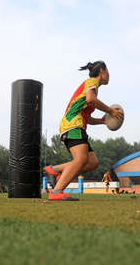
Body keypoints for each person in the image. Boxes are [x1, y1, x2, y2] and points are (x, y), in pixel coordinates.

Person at [44, 61, 123, 201]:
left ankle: (55, 169)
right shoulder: (90, 83)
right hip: (72, 125)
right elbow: (91, 100)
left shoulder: (93, 88)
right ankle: (56, 191)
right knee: (80, 159)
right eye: (108, 71)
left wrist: (103, 121)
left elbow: (87, 117)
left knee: (92, 162)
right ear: (102, 71)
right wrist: (110, 110)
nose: (109, 75)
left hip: (77, 125)